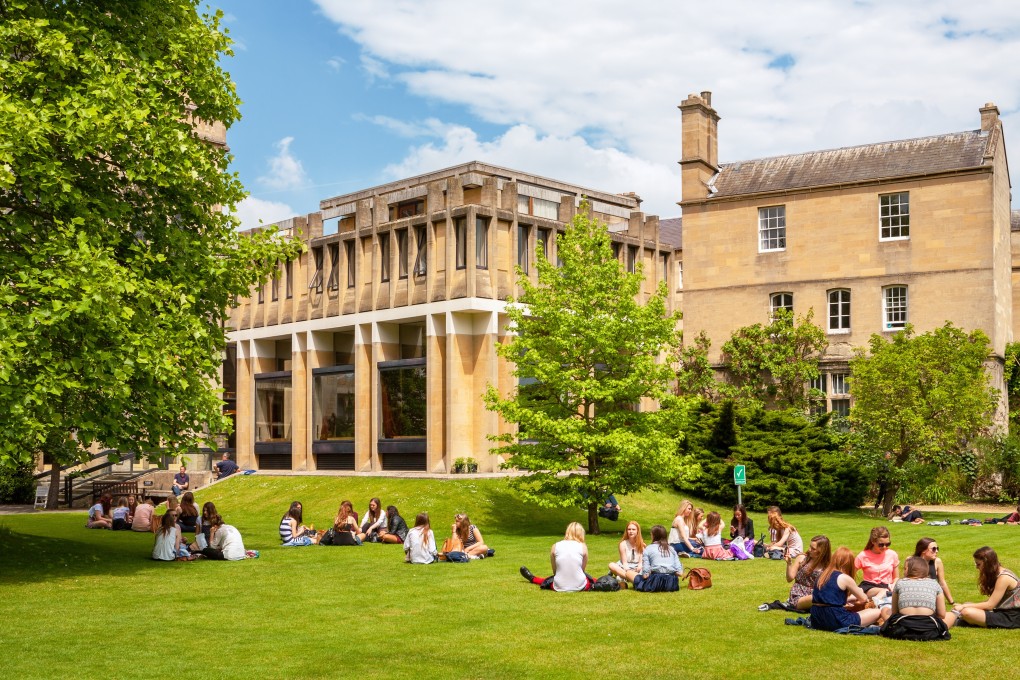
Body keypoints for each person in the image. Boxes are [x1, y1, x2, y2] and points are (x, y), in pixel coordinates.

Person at [809, 546, 884, 631]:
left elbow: (828, 597)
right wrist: (860, 591)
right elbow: (863, 598)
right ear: (849, 564)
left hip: (816, 619)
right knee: (876, 612)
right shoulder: (844, 577)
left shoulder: (822, 575)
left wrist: (846, 600)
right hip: (835, 619)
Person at [947, 546, 1020, 628]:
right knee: (968, 604)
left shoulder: (1004, 578)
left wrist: (963, 607)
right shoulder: (999, 573)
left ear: (987, 563)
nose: (976, 567)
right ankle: (962, 619)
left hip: (1012, 617)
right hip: (1002, 612)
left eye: (978, 564)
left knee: (966, 612)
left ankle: (959, 620)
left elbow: (990, 605)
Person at [880, 556, 951, 640]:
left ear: (911, 570)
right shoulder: (934, 584)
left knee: (885, 609)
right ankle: (957, 613)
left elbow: (895, 612)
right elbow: (942, 614)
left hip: (902, 629)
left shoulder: (900, 583)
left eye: (905, 568)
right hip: (929, 630)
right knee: (951, 614)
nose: (903, 571)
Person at [519, 522, 594, 591]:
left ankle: (533, 578)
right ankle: (604, 580)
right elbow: (582, 570)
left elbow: (555, 571)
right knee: (590, 579)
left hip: (558, 586)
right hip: (580, 585)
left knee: (549, 580)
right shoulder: (583, 547)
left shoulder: (555, 546)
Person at [785, 535, 831, 610]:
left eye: (813, 549)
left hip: (816, 595)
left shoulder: (827, 566)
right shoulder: (802, 558)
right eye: (810, 547)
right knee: (819, 597)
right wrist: (789, 563)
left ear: (822, 551)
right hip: (799, 595)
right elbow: (789, 578)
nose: (809, 550)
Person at [634, 524, 683, 592]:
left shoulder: (648, 549)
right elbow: (680, 573)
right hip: (671, 584)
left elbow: (645, 575)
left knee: (630, 574)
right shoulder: (671, 549)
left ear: (653, 536)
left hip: (654, 583)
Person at [855, 526, 899, 599]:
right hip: (869, 587)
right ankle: (874, 603)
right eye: (881, 545)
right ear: (873, 542)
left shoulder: (892, 554)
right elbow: (850, 575)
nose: (885, 547)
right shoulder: (863, 556)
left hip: (888, 586)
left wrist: (894, 584)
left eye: (888, 544)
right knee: (884, 592)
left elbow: (896, 577)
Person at [913, 537, 955, 606]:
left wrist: (952, 602)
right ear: (923, 550)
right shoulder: (911, 561)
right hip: (916, 594)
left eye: (937, 548)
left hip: (931, 596)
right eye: (934, 549)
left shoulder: (937, 562)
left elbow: (942, 583)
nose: (937, 551)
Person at [608, 520, 646, 587]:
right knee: (611, 565)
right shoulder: (623, 544)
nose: (631, 531)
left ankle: (622, 578)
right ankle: (631, 578)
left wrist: (638, 568)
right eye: (629, 529)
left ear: (637, 531)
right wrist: (628, 571)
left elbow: (640, 563)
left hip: (637, 567)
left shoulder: (642, 545)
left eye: (633, 529)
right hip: (625, 567)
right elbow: (624, 562)